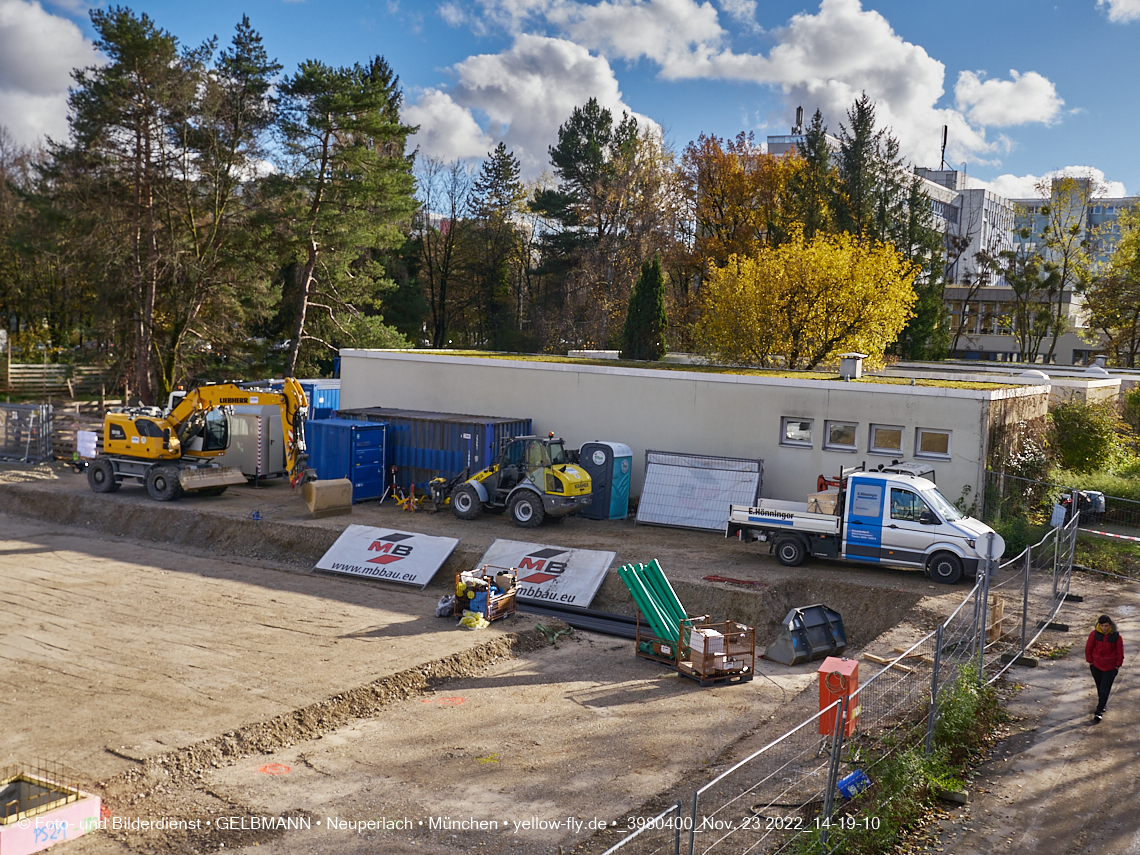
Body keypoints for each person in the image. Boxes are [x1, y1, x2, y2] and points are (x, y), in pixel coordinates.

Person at [1085, 614, 1124, 723]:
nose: (1104, 628)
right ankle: (1102, 704)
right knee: (1100, 687)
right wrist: (1090, 662)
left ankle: (1099, 711)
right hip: (1096, 666)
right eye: (1102, 625)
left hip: (1110, 668)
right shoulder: (1094, 634)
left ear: (1110, 625)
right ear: (1099, 625)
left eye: (1106, 626)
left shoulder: (1116, 637)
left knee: (1104, 689)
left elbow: (1120, 651)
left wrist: (1117, 665)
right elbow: (1089, 647)